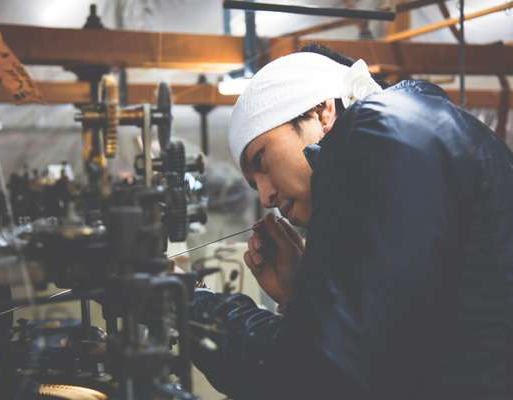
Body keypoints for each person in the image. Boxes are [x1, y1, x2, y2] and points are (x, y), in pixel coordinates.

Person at [187, 47, 513, 400]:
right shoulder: (415, 129)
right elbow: (401, 349)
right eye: (253, 184)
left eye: (262, 160)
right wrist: (303, 294)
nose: (266, 196)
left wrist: (189, 306)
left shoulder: (383, 131)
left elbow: (318, 378)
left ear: (322, 111)